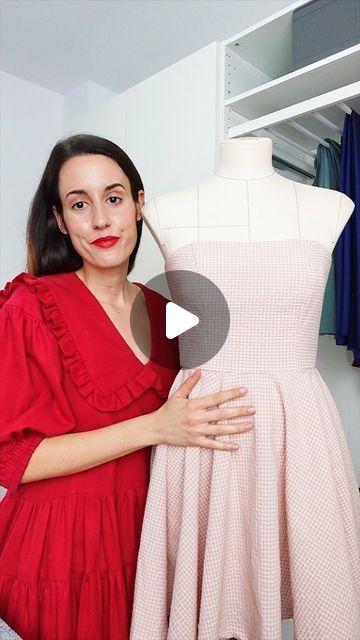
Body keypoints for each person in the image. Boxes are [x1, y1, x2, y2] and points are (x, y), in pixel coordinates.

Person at [0, 134, 255, 640]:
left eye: (113, 198)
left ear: (139, 206)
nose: (99, 220)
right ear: (60, 219)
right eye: (79, 204)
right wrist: (154, 427)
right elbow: (12, 462)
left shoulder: (169, 313)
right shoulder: (29, 306)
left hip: (150, 537)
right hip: (61, 550)